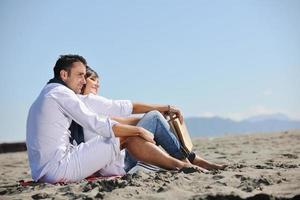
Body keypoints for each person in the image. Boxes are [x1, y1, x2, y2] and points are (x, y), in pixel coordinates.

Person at [26, 54, 194, 183]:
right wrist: (138, 130)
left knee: (125, 134)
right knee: (124, 136)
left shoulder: (49, 93)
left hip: (45, 169)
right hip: (59, 168)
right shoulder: (60, 94)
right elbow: (96, 123)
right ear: (64, 74)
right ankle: (181, 165)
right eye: (80, 75)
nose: (84, 81)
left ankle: (182, 162)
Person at [81, 66, 227, 172]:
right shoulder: (88, 100)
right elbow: (132, 107)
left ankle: (191, 159)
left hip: (113, 164)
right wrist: (165, 108)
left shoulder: (84, 108)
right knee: (155, 116)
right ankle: (188, 161)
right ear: (82, 81)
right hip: (119, 163)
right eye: (92, 79)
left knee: (154, 118)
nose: (97, 84)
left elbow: (126, 122)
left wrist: (155, 121)